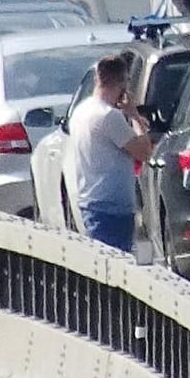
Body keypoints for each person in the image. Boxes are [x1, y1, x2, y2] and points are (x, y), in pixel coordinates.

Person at [68, 53, 152, 252]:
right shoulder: (109, 116)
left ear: (98, 79)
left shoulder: (81, 111)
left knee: (106, 261)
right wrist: (135, 115)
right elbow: (144, 152)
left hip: (92, 202)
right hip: (114, 209)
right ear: (123, 83)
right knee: (124, 265)